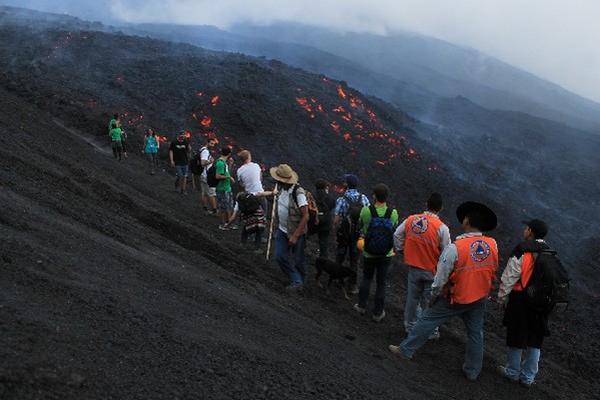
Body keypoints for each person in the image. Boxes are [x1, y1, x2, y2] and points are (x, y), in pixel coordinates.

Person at [389, 201, 499, 382]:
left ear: (467, 221)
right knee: (475, 334)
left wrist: (434, 295)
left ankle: (405, 350)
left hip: (456, 297)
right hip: (479, 297)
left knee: (428, 318)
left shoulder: (455, 248)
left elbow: (441, 277)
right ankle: (472, 371)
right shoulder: (491, 245)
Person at [497, 219, 553, 387]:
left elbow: (510, 275)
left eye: (526, 228)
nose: (524, 231)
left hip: (521, 299)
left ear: (530, 231)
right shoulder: (550, 252)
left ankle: (512, 372)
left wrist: (502, 297)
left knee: (517, 335)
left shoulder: (523, 249)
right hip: (541, 303)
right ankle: (528, 377)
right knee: (535, 339)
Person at [393, 193, 451, 338]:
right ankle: (430, 331)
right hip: (432, 271)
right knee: (430, 302)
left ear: (426, 204)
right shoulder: (442, 228)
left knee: (412, 298)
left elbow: (397, 235)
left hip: (414, 267)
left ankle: (410, 327)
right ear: (441, 208)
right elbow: (447, 252)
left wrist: (401, 249)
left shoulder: (412, 219)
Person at [353, 183, 398, 322]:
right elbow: (394, 229)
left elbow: (361, 226)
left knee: (367, 278)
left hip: (369, 252)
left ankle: (361, 306)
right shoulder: (393, 213)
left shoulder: (366, 211)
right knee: (381, 283)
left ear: (374, 196)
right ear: (386, 197)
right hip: (386, 254)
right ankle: (378, 313)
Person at [270, 164, 310, 290]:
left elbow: (305, 216)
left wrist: (295, 235)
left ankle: (300, 281)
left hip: (296, 232)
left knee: (298, 260)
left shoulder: (298, 193)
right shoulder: (281, 189)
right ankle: (296, 279)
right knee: (279, 256)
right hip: (282, 229)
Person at [333, 174, 370, 294]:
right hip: (358, 234)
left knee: (340, 256)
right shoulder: (364, 198)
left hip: (344, 234)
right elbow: (368, 216)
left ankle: (337, 280)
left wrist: (336, 232)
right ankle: (353, 286)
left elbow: (336, 220)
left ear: (346, 184)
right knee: (354, 260)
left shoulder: (342, 200)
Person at [313, 179, 336, 258]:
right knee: (323, 243)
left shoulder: (312, 196)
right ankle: (323, 260)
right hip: (326, 222)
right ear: (325, 187)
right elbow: (332, 205)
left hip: (313, 221)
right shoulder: (330, 198)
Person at [215, 147, 235, 229]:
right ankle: (222, 224)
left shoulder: (224, 163)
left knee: (229, 207)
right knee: (222, 207)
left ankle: (228, 223)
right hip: (222, 189)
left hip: (227, 188)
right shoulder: (220, 163)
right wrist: (229, 178)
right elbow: (218, 176)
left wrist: (230, 165)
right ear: (229, 154)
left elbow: (226, 173)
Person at [199, 137, 218, 214]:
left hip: (202, 174)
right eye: (211, 143)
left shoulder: (202, 149)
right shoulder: (205, 152)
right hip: (206, 175)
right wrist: (210, 161)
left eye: (213, 144)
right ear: (207, 142)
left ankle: (205, 208)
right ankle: (215, 210)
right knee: (211, 193)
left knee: (204, 192)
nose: (212, 145)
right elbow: (203, 163)